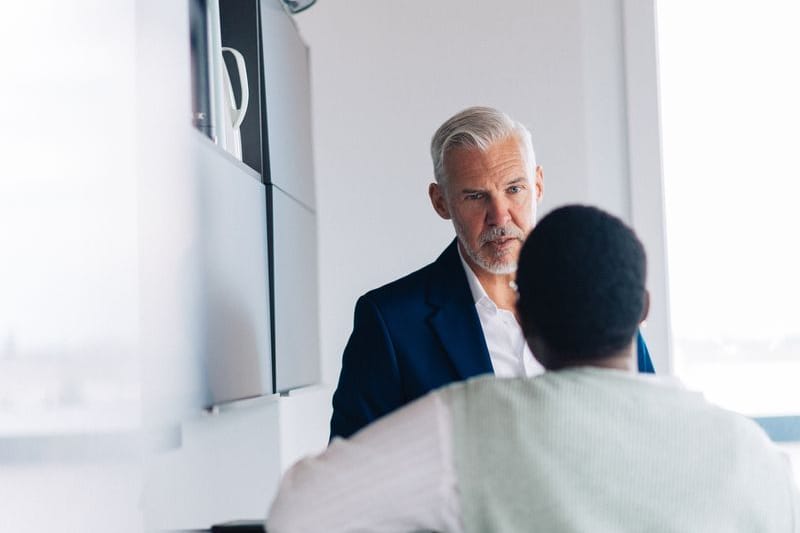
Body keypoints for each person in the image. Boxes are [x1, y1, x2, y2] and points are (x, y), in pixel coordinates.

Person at [268, 205, 800, 533]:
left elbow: (298, 515)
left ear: (522, 316)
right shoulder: (751, 454)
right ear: (642, 309)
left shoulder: (468, 426)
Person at [330, 106, 654, 439]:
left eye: (514, 189)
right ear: (440, 202)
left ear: (538, 185)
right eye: (475, 196)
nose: (499, 216)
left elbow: (650, 431)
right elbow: (346, 476)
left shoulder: (600, 296)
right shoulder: (390, 324)